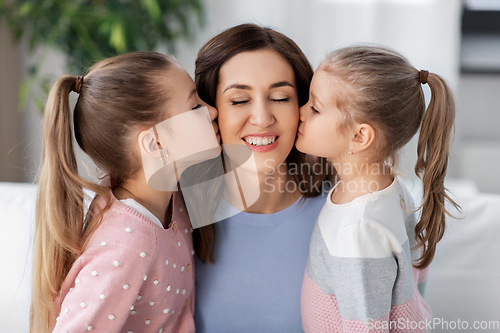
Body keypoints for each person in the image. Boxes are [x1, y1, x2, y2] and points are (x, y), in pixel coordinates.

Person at [31, 52, 219, 333]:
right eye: (195, 107)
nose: (213, 110)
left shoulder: (167, 194)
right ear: (155, 143)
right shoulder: (126, 245)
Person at [296, 45, 460, 332]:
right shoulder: (391, 187)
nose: (299, 112)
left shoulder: (358, 229)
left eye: (314, 107)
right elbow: (416, 270)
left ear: (360, 136)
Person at [192, 23, 331, 332]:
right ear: (210, 110)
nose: (262, 118)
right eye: (239, 100)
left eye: (281, 98)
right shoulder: (174, 212)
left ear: (304, 107)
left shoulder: (347, 207)